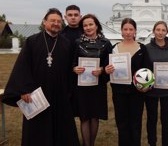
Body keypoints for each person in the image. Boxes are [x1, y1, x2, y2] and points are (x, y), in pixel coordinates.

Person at [2, 8, 80, 146]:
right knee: (37, 132)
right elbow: (22, 67)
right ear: (45, 22)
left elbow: (70, 69)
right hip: (36, 94)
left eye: (58, 21)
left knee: (62, 130)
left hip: (60, 94)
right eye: (52, 21)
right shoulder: (32, 41)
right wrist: (24, 90)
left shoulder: (67, 43)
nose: (56, 23)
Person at [105, 18, 151, 146]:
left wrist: (146, 86)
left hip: (137, 92)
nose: (128, 32)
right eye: (125, 29)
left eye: (131, 29)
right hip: (119, 92)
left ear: (135, 31)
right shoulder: (114, 49)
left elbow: (148, 70)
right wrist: (107, 70)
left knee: (135, 123)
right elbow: (107, 69)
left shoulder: (142, 49)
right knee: (122, 123)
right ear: (121, 31)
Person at [72, 14, 113, 146]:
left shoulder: (106, 44)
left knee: (95, 117)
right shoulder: (77, 43)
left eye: (91, 24)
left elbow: (110, 65)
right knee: (84, 117)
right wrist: (74, 69)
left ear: (96, 25)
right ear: (82, 27)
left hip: (98, 85)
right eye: (85, 25)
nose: (88, 27)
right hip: (82, 86)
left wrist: (102, 70)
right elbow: (71, 63)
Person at [145, 21, 168, 146]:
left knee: (166, 119)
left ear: (167, 32)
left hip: (167, 90)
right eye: (158, 30)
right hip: (151, 90)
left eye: (163, 30)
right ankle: (152, 143)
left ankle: (166, 143)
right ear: (153, 31)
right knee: (152, 118)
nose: (160, 32)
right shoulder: (146, 48)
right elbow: (144, 68)